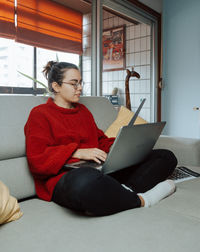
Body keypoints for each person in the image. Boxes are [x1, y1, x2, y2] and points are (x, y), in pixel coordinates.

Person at [24, 61, 177, 216]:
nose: (80, 88)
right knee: (86, 181)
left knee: (165, 157)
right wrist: (77, 152)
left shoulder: (83, 111)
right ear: (56, 86)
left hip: (99, 169)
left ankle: (123, 192)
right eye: (74, 83)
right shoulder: (40, 114)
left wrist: (121, 146)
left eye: (80, 82)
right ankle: (143, 200)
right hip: (65, 178)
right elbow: (37, 160)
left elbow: (100, 141)